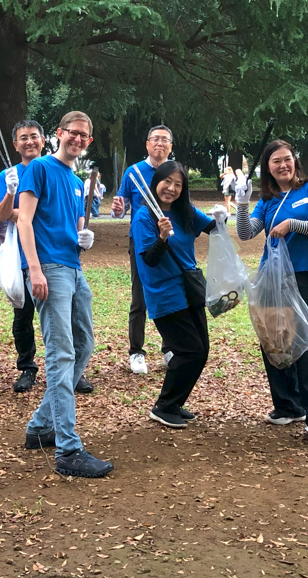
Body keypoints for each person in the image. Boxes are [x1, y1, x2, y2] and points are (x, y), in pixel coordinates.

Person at [18, 111, 111, 477]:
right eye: (73, 133)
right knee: (60, 354)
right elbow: (24, 219)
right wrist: (35, 269)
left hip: (73, 267)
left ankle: (40, 427)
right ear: (59, 134)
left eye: (85, 136)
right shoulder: (39, 167)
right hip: (50, 270)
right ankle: (68, 451)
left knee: (84, 345)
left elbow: (72, 225)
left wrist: (83, 239)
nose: (78, 139)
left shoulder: (75, 180)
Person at [235, 139, 308, 444]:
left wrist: (291, 223)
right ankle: (288, 405)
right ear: (268, 168)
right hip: (273, 280)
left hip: (304, 279)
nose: (283, 165)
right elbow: (245, 233)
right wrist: (241, 203)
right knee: (276, 343)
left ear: (295, 161)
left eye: (287, 159)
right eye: (275, 161)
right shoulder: (267, 201)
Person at [0, 121, 96, 395]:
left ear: (44, 140)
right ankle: (28, 367)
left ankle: (71, 376)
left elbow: (68, 219)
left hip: (63, 262)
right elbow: (5, 215)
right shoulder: (13, 174)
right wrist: (12, 193)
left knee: (73, 330)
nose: (30, 142)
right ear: (15, 144)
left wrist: (83, 237)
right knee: (24, 312)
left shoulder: (68, 177)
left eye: (34, 137)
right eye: (23, 138)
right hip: (25, 254)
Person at [132, 161, 226, 428]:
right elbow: (148, 261)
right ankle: (164, 406)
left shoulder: (185, 211)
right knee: (189, 350)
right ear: (156, 183)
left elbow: (214, 229)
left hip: (191, 288)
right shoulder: (144, 217)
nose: (171, 188)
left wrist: (223, 216)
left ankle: (174, 404)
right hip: (165, 294)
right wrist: (161, 237)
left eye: (178, 184)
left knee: (202, 350)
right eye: (167, 182)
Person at [110, 125, 175, 375]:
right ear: (147, 144)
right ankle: (136, 352)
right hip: (140, 241)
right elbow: (122, 206)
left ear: (170, 146)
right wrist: (118, 210)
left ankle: (169, 348)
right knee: (140, 297)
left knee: (169, 293)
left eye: (165, 140)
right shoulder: (134, 172)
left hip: (168, 239)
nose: (160, 143)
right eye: (155, 139)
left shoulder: (175, 172)